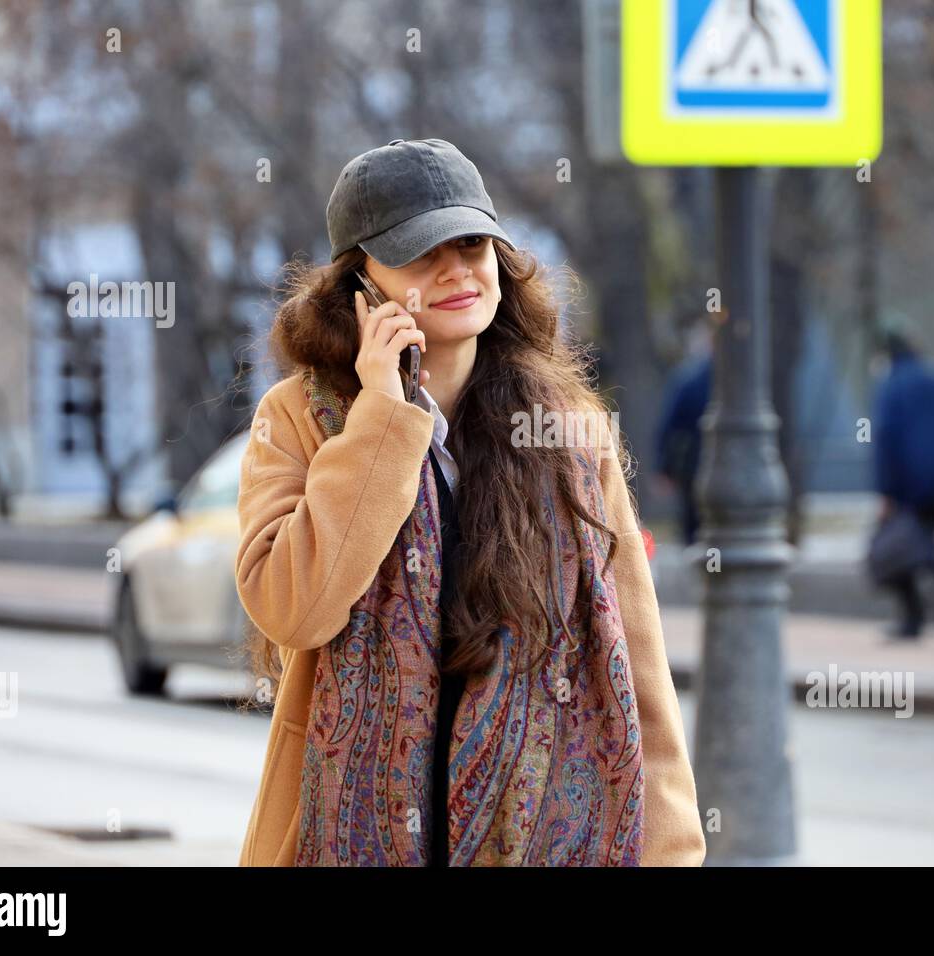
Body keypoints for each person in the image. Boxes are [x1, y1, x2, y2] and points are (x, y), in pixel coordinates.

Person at [234, 138, 704, 867]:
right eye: (423, 252)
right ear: (360, 283)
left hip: (536, 835)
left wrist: (672, 847)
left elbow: (634, 656)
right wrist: (384, 420)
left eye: (474, 243)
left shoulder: (565, 427)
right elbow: (294, 605)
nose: (458, 270)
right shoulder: (298, 415)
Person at [870, 316, 934, 639]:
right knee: (925, 543)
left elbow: (886, 438)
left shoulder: (891, 385)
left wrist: (886, 491)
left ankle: (913, 618)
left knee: (898, 548)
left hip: (906, 485)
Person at [654, 337, 712, 546]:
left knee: (695, 527)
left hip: (694, 466)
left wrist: (664, 468)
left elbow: (669, 427)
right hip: (700, 464)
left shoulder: (689, 380)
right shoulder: (696, 380)